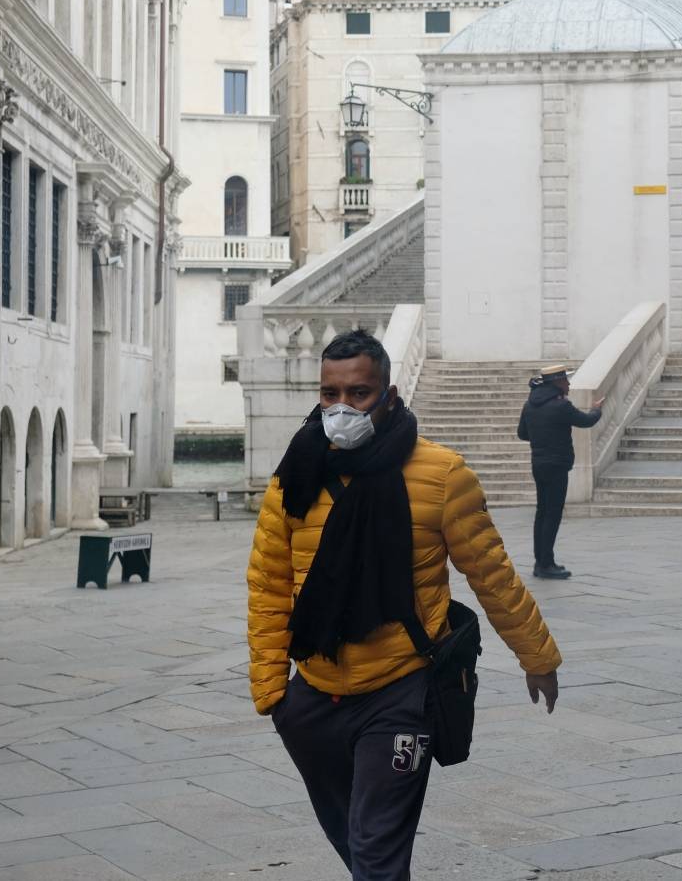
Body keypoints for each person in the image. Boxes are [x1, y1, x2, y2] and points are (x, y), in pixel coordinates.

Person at [247, 329, 562, 879]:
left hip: (401, 689)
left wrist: (537, 656)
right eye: (329, 394)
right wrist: (273, 691)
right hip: (312, 695)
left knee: (375, 848)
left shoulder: (442, 475)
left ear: (389, 395)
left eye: (359, 393)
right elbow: (270, 585)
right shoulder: (292, 478)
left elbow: (492, 573)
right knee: (351, 836)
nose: (342, 406)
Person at [517, 364, 603, 579]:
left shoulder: (530, 404)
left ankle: (541, 561)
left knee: (542, 512)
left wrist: (542, 438)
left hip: (539, 463)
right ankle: (546, 563)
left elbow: (522, 434)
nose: (569, 383)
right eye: (565, 380)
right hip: (557, 464)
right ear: (556, 382)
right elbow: (586, 421)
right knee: (552, 515)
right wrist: (597, 409)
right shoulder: (561, 406)